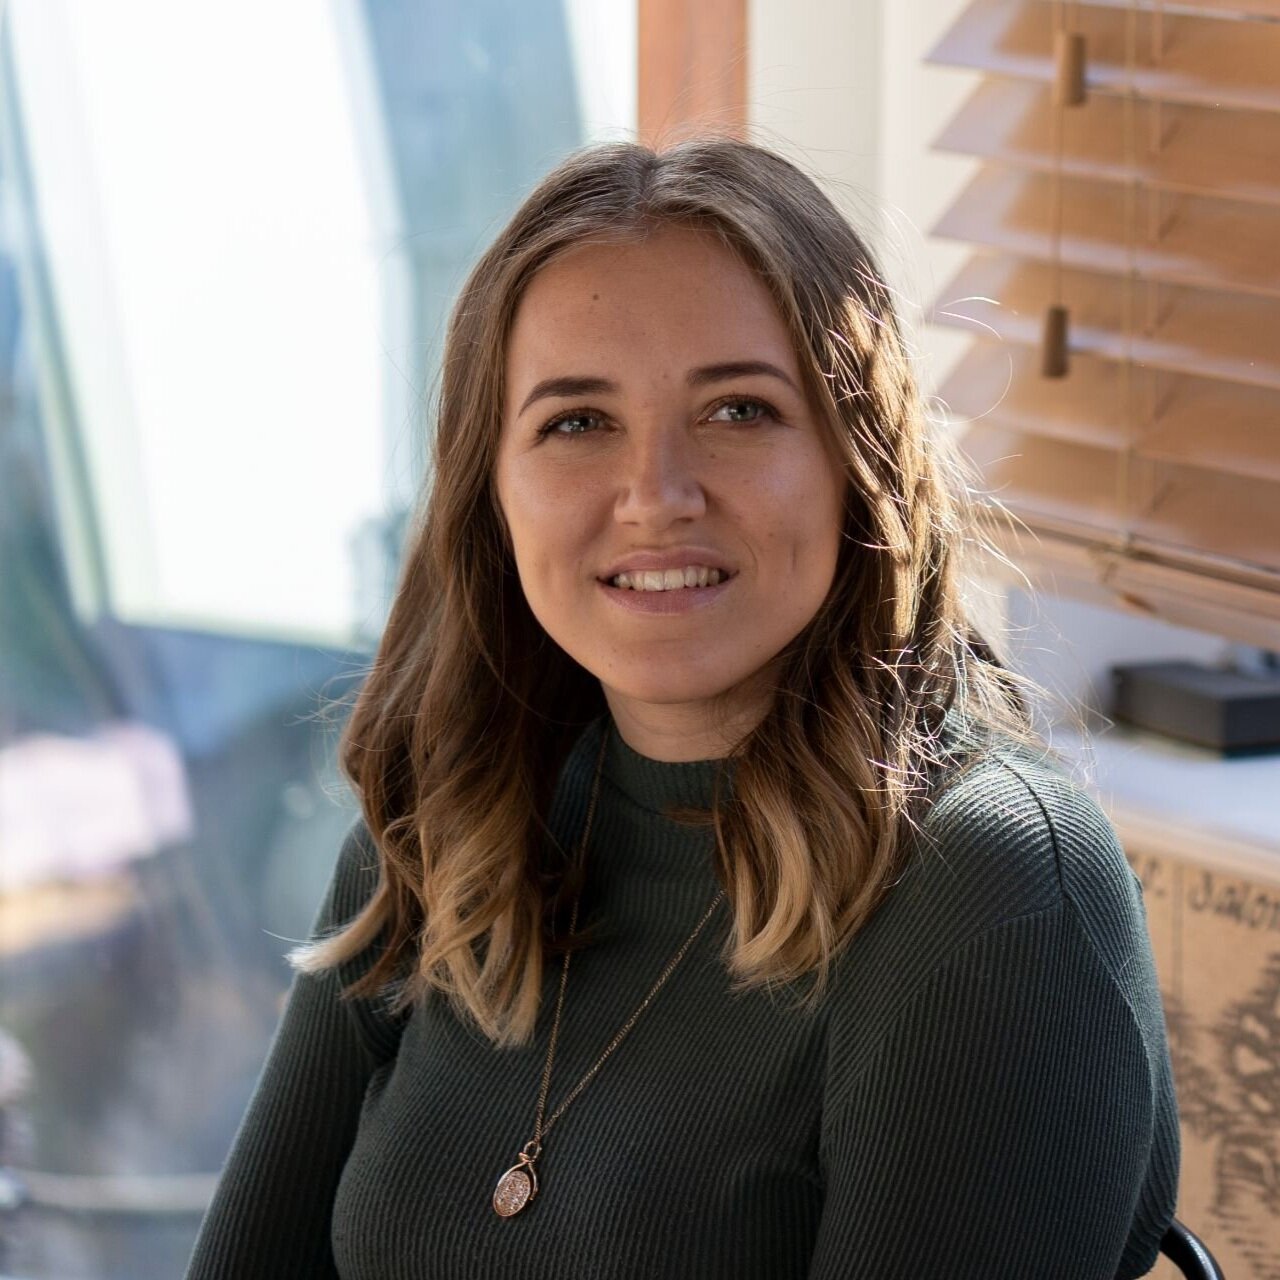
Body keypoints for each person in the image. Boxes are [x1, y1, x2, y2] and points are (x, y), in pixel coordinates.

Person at [184, 136, 1179, 1279]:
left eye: (738, 411)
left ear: (856, 460)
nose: (655, 494)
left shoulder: (993, 886)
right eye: (575, 421)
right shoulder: (449, 823)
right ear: (489, 488)